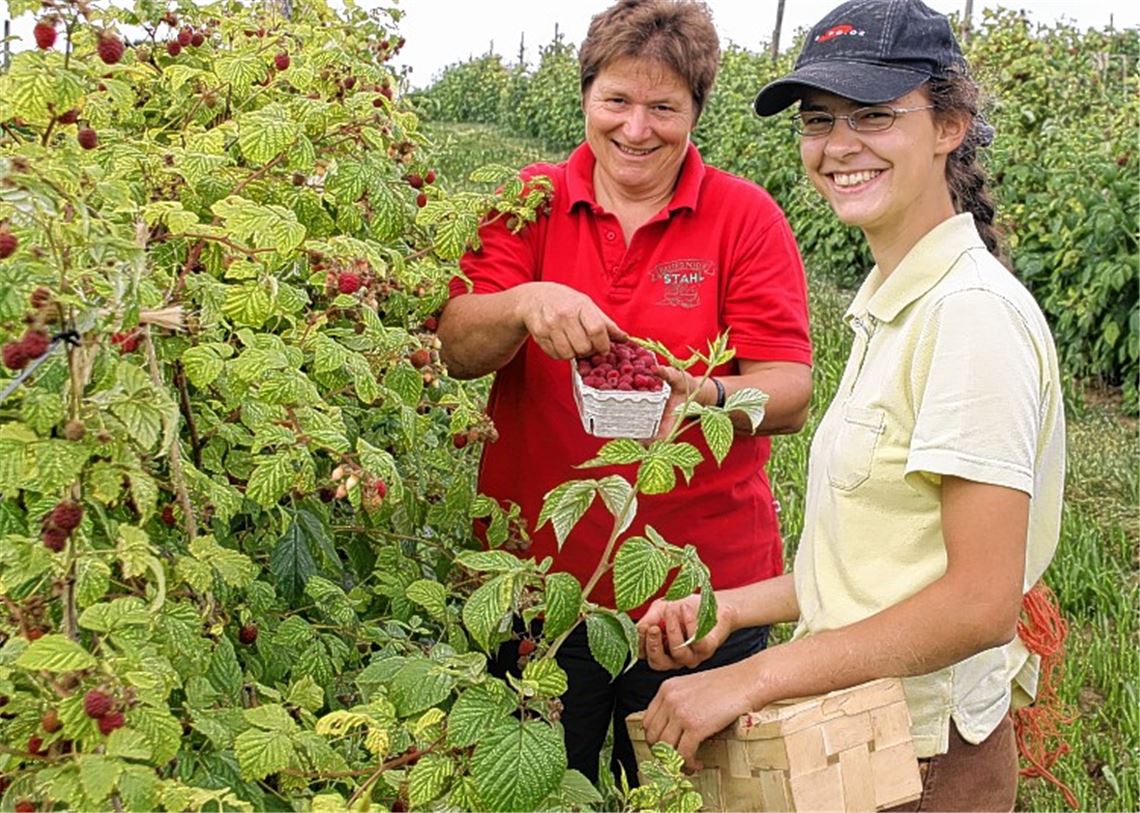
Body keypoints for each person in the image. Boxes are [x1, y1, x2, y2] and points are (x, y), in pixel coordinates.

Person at [635, 1, 1066, 810]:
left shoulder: (968, 316)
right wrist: (729, 608)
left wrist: (750, 678)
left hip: (924, 760)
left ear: (950, 125)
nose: (838, 146)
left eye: (874, 115)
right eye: (819, 120)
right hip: (864, 736)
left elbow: (978, 602)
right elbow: (879, 565)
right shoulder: (896, 305)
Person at [438, 0, 813, 786]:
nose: (637, 128)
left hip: (693, 601)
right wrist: (522, 301)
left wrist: (705, 393)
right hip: (538, 585)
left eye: (664, 107)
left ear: (695, 112)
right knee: (532, 790)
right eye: (617, 100)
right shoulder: (531, 202)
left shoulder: (744, 218)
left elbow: (788, 391)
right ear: (585, 97)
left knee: (680, 797)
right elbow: (456, 348)